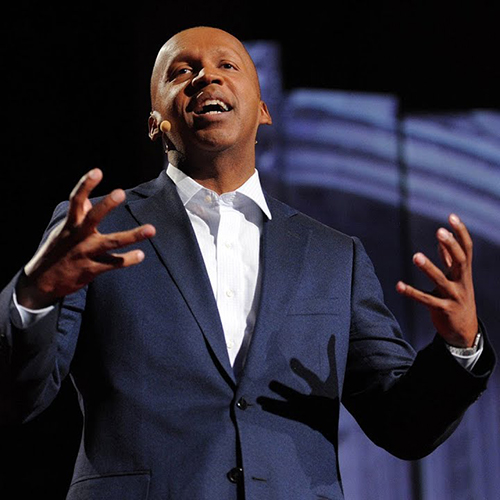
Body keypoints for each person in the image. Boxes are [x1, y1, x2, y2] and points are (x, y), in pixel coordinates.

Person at [0, 26, 495, 500]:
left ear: (262, 110)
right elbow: (20, 396)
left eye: (227, 65)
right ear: (155, 123)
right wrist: (34, 297)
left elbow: (402, 425)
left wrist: (459, 347)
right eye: (181, 72)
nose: (205, 77)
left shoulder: (334, 256)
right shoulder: (96, 230)